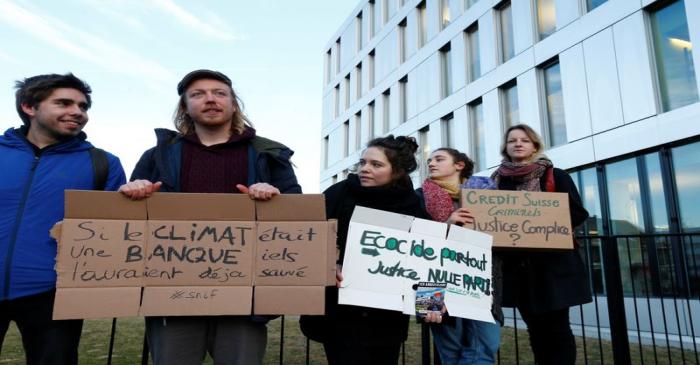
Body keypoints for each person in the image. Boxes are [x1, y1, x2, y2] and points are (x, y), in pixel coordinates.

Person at [118, 69, 301, 365]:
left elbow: (295, 213)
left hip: (246, 296)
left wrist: (274, 196)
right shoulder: (157, 156)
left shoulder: (268, 154)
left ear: (233, 104)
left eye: (219, 93)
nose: (210, 100)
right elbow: (133, 218)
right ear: (185, 108)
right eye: (198, 94)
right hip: (172, 292)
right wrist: (132, 190)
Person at [0, 73, 126, 364]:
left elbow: (114, 230)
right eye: (64, 103)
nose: (77, 112)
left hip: (54, 294)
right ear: (29, 107)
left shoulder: (104, 163)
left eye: (83, 106)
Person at [300, 135, 428, 365]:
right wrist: (329, 263)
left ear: (397, 171)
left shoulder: (412, 204)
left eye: (376, 164)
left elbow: (428, 256)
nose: (365, 169)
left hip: (386, 316)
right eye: (363, 163)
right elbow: (309, 236)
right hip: (340, 312)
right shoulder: (338, 193)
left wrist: (431, 304)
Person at [492, 124, 590, 365]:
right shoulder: (495, 181)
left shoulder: (556, 176)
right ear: (505, 147)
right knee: (534, 328)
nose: (517, 143)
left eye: (524, 140)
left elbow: (577, 213)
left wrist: (542, 221)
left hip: (552, 266)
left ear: (534, 145)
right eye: (512, 140)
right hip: (518, 268)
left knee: (557, 329)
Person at [416, 148, 502, 365]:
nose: (432, 163)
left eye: (439, 159)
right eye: (430, 160)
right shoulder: (419, 196)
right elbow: (413, 242)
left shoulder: (489, 196)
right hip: (432, 280)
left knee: (485, 348)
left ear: (459, 165)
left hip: (482, 277)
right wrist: (447, 225)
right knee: (449, 352)